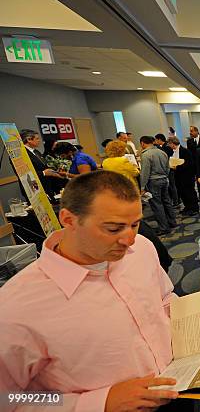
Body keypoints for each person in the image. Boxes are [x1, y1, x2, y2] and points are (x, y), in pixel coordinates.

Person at [0, 171, 180, 411]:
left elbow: (164, 298)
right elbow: (8, 399)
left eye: (135, 224)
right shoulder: (15, 307)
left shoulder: (143, 250)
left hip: (179, 389)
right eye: (114, 229)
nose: (130, 240)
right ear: (69, 220)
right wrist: (97, 403)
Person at [140, 135, 177, 235]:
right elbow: (167, 168)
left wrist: (142, 187)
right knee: (166, 201)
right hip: (164, 179)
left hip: (153, 182)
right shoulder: (162, 152)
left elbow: (145, 172)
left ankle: (164, 227)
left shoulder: (146, 155)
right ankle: (172, 222)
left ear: (142, 143)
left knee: (157, 205)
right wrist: (165, 176)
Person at [20, 129, 66, 195]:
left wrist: (55, 172)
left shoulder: (36, 151)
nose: (39, 141)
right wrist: (43, 173)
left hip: (46, 186)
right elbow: (24, 174)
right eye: (37, 138)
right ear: (29, 139)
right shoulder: (22, 154)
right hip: (33, 189)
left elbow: (44, 166)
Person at [167, 135, 199, 216]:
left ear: (173, 143)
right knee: (181, 192)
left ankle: (194, 208)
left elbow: (190, 164)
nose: (169, 146)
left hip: (187, 176)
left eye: (169, 144)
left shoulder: (185, 151)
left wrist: (177, 167)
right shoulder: (172, 151)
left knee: (190, 192)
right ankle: (187, 207)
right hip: (178, 176)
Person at [154, 134, 179, 207]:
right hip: (167, 168)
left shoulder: (166, 147)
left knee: (172, 185)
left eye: (156, 140)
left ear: (159, 139)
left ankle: (175, 201)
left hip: (170, 168)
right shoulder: (163, 147)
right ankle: (174, 200)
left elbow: (167, 157)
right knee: (170, 186)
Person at [187, 125, 200, 201]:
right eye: (190, 131)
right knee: (198, 178)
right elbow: (189, 153)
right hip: (195, 163)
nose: (190, 133)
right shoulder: (189, 141)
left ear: (196, 131)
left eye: (191, 131)